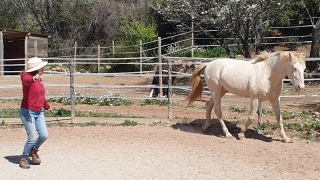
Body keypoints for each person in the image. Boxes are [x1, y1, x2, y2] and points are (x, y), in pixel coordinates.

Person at [19, 57, 51, 169]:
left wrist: (46, 106)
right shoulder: (26, 76)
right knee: (32, 137)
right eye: (42, 66)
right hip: (28, 111)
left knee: (44, 135)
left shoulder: (39, 79)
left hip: (39, 111)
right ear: (38, 68)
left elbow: (40, 95)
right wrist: (33, 78)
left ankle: (34, 149)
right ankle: (24, 157)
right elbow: (27, 81)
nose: (43, 67)